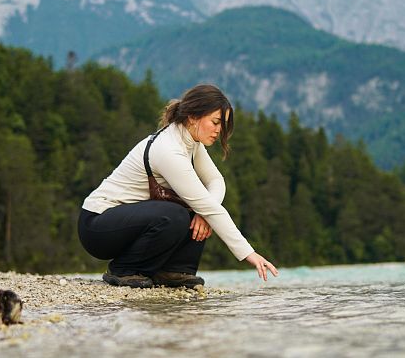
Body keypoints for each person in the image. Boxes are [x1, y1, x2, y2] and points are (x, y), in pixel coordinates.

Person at [77, 84, 279, 288]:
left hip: (127, 223)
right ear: (193, 117)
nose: (219, 130)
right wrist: (249, 254)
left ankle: (174, 271)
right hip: (97, 227)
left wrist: (203, 214)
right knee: (176, 214)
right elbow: (209, 207)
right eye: (216, 122)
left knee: (196, 212)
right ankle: (124, 270)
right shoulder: (168, 149)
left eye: (223, 125)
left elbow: (216, 181)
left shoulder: (191, 141)